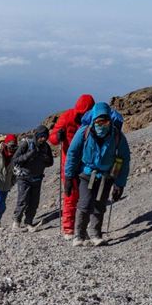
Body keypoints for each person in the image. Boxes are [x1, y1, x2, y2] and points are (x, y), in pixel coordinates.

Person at [64, 102, 131, 246]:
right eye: (98, 121)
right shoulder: (84, 132)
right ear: (93, 120)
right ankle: (79, 235)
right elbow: (73, 153)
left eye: (105, 121)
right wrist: (69, 176)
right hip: (86, 174)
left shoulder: (117, 135)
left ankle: (96, 234)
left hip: (105, 177)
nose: (102, 124)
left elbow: (124, 159)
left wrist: (119, 184)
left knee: (100, 205)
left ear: (110, 121)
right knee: (85, 203)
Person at [48, 94, 95, 240]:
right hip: (68, 163)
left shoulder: (94, 119)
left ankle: (81, 227)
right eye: (80, 113)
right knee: (70, 195)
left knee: (86, 195)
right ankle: (68, 228)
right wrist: (58, 137)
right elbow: (52, 139)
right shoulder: (67, 117)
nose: (82, 115)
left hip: (87, 163)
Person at [11, 126, 54, 230]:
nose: (43, 139)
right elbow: (15, 160)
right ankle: (16, 222)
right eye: (42, 136)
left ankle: (29, 222)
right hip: (24, 177)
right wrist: (29, 155)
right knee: (23, 199)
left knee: (34, 202)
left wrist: (44, 158)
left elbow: (51, 162)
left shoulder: (46, 147)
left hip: (37, 178)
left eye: (46, 137)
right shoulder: (27, 144)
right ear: (37, 135)